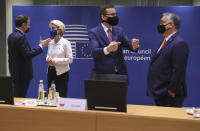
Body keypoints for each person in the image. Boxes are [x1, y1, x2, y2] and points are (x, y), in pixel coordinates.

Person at [147, 12, 189, 107]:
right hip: (160, 93)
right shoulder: (166, 41)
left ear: (171, 25)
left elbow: (179, 70)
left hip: (169, 95)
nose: (160, 25)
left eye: (162, 23)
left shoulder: (179, 43)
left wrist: (172, 90)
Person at [8, 14, 51, 97]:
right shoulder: (20, 37)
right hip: (22, 75)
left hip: (14, 73)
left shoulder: (11, 36)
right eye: (28, 24)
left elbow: (11, 56)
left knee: (16, 97)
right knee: (20, 97)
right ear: (23, 25)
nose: (29, 26)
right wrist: (41, 46)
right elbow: (28, 54)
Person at [89, 5, 139, 76]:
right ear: (103, 17)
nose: (115, 17)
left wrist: (135, 46)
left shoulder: (119, 31)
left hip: (120, 75)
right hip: (101, 75)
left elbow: (130, 46)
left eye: (116, 14)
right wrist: (107, 49)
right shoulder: (94, 32)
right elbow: (94, 52)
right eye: (112, 14)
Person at [46, 20, 73, 97]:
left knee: (61, 96)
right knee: (50, 96)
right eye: (50, 28)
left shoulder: (66, 43)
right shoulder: (50, 42)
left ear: (60, 30)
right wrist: (48, 59)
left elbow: (70, 59)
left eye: (53, 28)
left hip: (62, 73)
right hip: (50, 72)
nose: (51, 30)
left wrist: (55, 61)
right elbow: (48, 55)